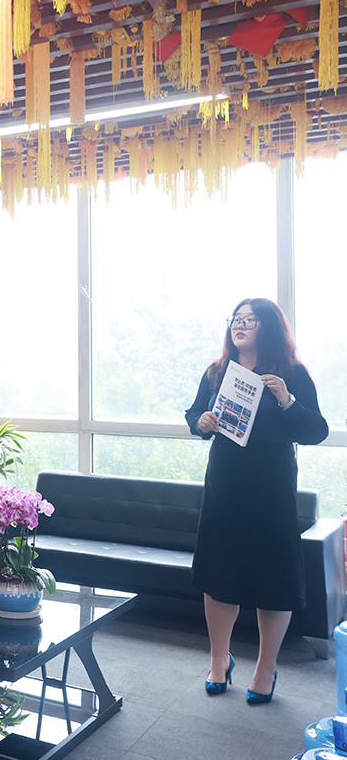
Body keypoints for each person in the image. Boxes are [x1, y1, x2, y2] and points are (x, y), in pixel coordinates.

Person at [185, 298, 328, 705]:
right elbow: (194, 415)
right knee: (219, 571)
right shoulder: (217, 372)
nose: (240, 325)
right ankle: (219, 660)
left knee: (273, 574)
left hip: (272, 484)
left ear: (269, 326)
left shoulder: (292, 373)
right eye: (236, 319)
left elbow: (316, 431)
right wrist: (201, 423)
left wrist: (287, 400)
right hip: (225, 481)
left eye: (249, 320)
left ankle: (266, 668)